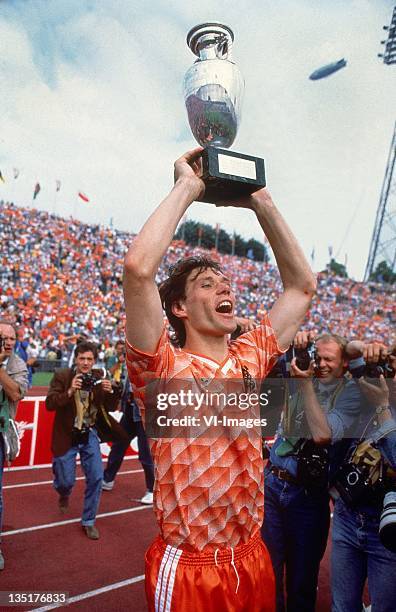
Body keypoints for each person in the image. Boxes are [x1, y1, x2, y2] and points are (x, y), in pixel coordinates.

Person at [123, 148, 316, 611]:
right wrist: (187, 189)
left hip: (251, 557)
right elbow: (137, 270)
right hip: (191, 567)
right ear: (180, 309)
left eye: (225, 283)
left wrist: (262, 203)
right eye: (207, 285)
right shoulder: (162, 369)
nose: (224, 288)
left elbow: (301, 287)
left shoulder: (250, 356)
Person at [261, 331, 363, 612]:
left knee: (301, 583)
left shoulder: (352, 395)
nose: (321, 364)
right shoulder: (303, 375)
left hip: (308, 498)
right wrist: (294, 345)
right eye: (319, 357)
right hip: (273, 484)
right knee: (266, 575)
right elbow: (270, 375)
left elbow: (323, 434)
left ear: (345, 364)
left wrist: (305, 384)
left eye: (329, 359)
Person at [330, 341, 396, 612]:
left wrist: (382, 409)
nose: (389, 373)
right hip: (348, 515)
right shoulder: (377, 387)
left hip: (387, 528)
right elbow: (350, 353)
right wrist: (364, 347)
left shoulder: (379, 398)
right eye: (390, 364)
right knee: (342, 606)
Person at [46, 340, 126, 540]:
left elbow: (108, 407)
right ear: (75, 358)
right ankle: (63, 493)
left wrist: (111, 392)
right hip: (67, 434)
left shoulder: (99, 377)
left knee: (97, 477)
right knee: (65, 481)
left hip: (89, 433)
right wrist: (70, 391)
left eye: (89, 359)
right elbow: (49, 404)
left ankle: (89, 521)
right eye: (82, 358)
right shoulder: (63, 376)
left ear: (94, 361)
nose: (85, 363)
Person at [102, 342, 154, 504]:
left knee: (145, 452)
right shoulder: (130, 360)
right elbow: (127, 384)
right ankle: (107, 479)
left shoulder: (153, 359)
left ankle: (152, 489)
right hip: (131, 408)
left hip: (145, 410)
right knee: (119, 443)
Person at [0, 320, 28, 570]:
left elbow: (16, 393)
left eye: (11, 338)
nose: (7, 343)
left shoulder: (17, 364)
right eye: (2, 338)